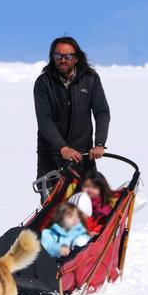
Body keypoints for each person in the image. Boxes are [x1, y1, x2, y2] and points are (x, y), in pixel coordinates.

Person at [33, 36, 111, 193]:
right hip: (51, 157)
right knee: (55, 209)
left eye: (68, 56)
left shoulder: (90, 79)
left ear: (76, 58)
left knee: (88, 205)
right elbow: (44, 120)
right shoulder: (43, 83)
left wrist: (100, 143)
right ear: (52, 57)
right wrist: (62, 147)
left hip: (82, 156)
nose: (63, 60)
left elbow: (101, 112)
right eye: (58, 56)